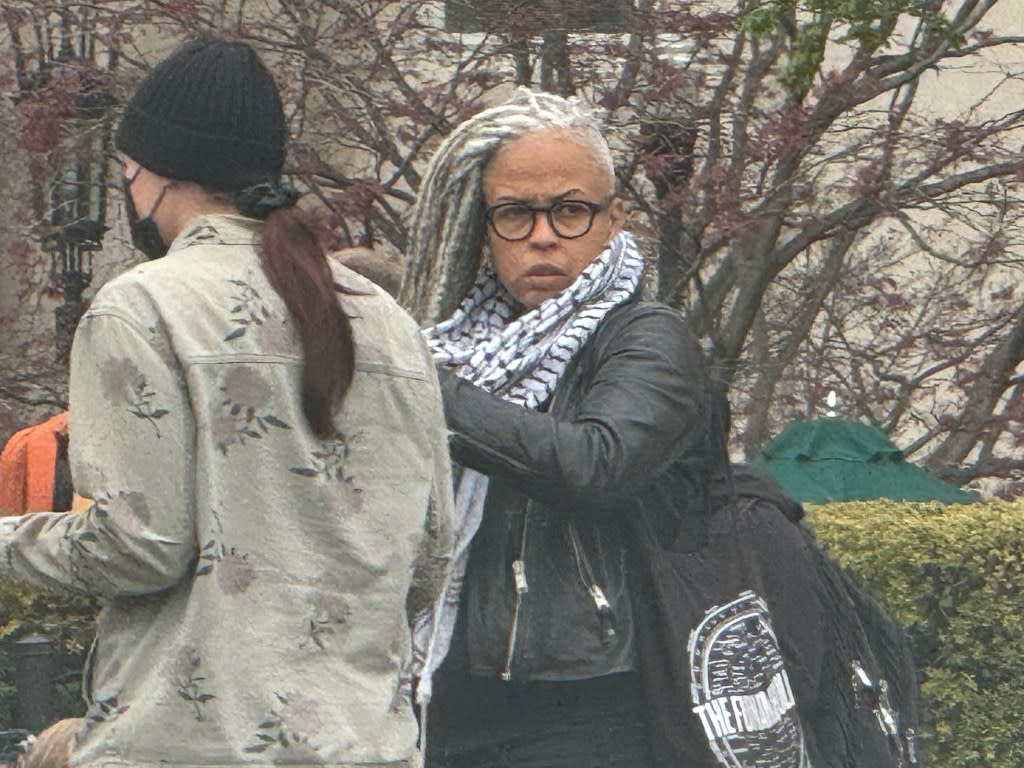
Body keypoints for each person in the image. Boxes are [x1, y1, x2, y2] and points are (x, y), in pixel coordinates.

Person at [0, 35, 453, 768]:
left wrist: (9, 540)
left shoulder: (142, 308)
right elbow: (430, 556)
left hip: (187, 744)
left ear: (148, 172)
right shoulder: (386, 320)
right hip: (365, 743)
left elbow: (139, 545)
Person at [406, 89, 715, 768]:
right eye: (515, 213)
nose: (542, 235)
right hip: (450, 689)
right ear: (483, 228)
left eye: (570, 211)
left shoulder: (646, 336)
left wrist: (423, 385)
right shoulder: (457, 344)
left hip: (591, 698)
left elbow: (597, 463)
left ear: (614, 220)